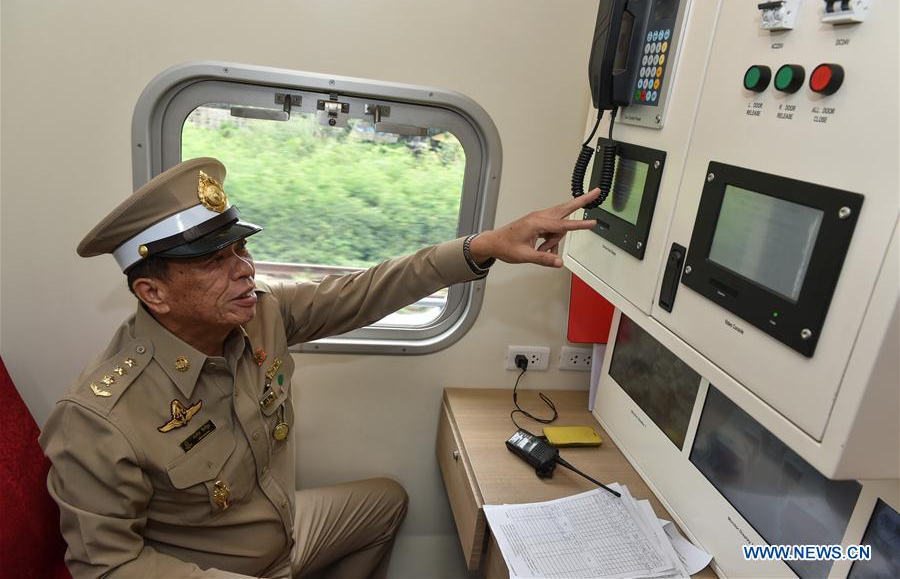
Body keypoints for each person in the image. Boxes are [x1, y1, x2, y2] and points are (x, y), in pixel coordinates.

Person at [40, 157, 600, 578]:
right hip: (220, 571)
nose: (244, 271)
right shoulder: (98, 417)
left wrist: (485, 246)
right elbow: (108, 569)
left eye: (240, 249)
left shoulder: (258, 315)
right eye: (214, 261)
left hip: (281, 532)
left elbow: (364, 291)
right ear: (153, 293)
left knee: (387, 503)